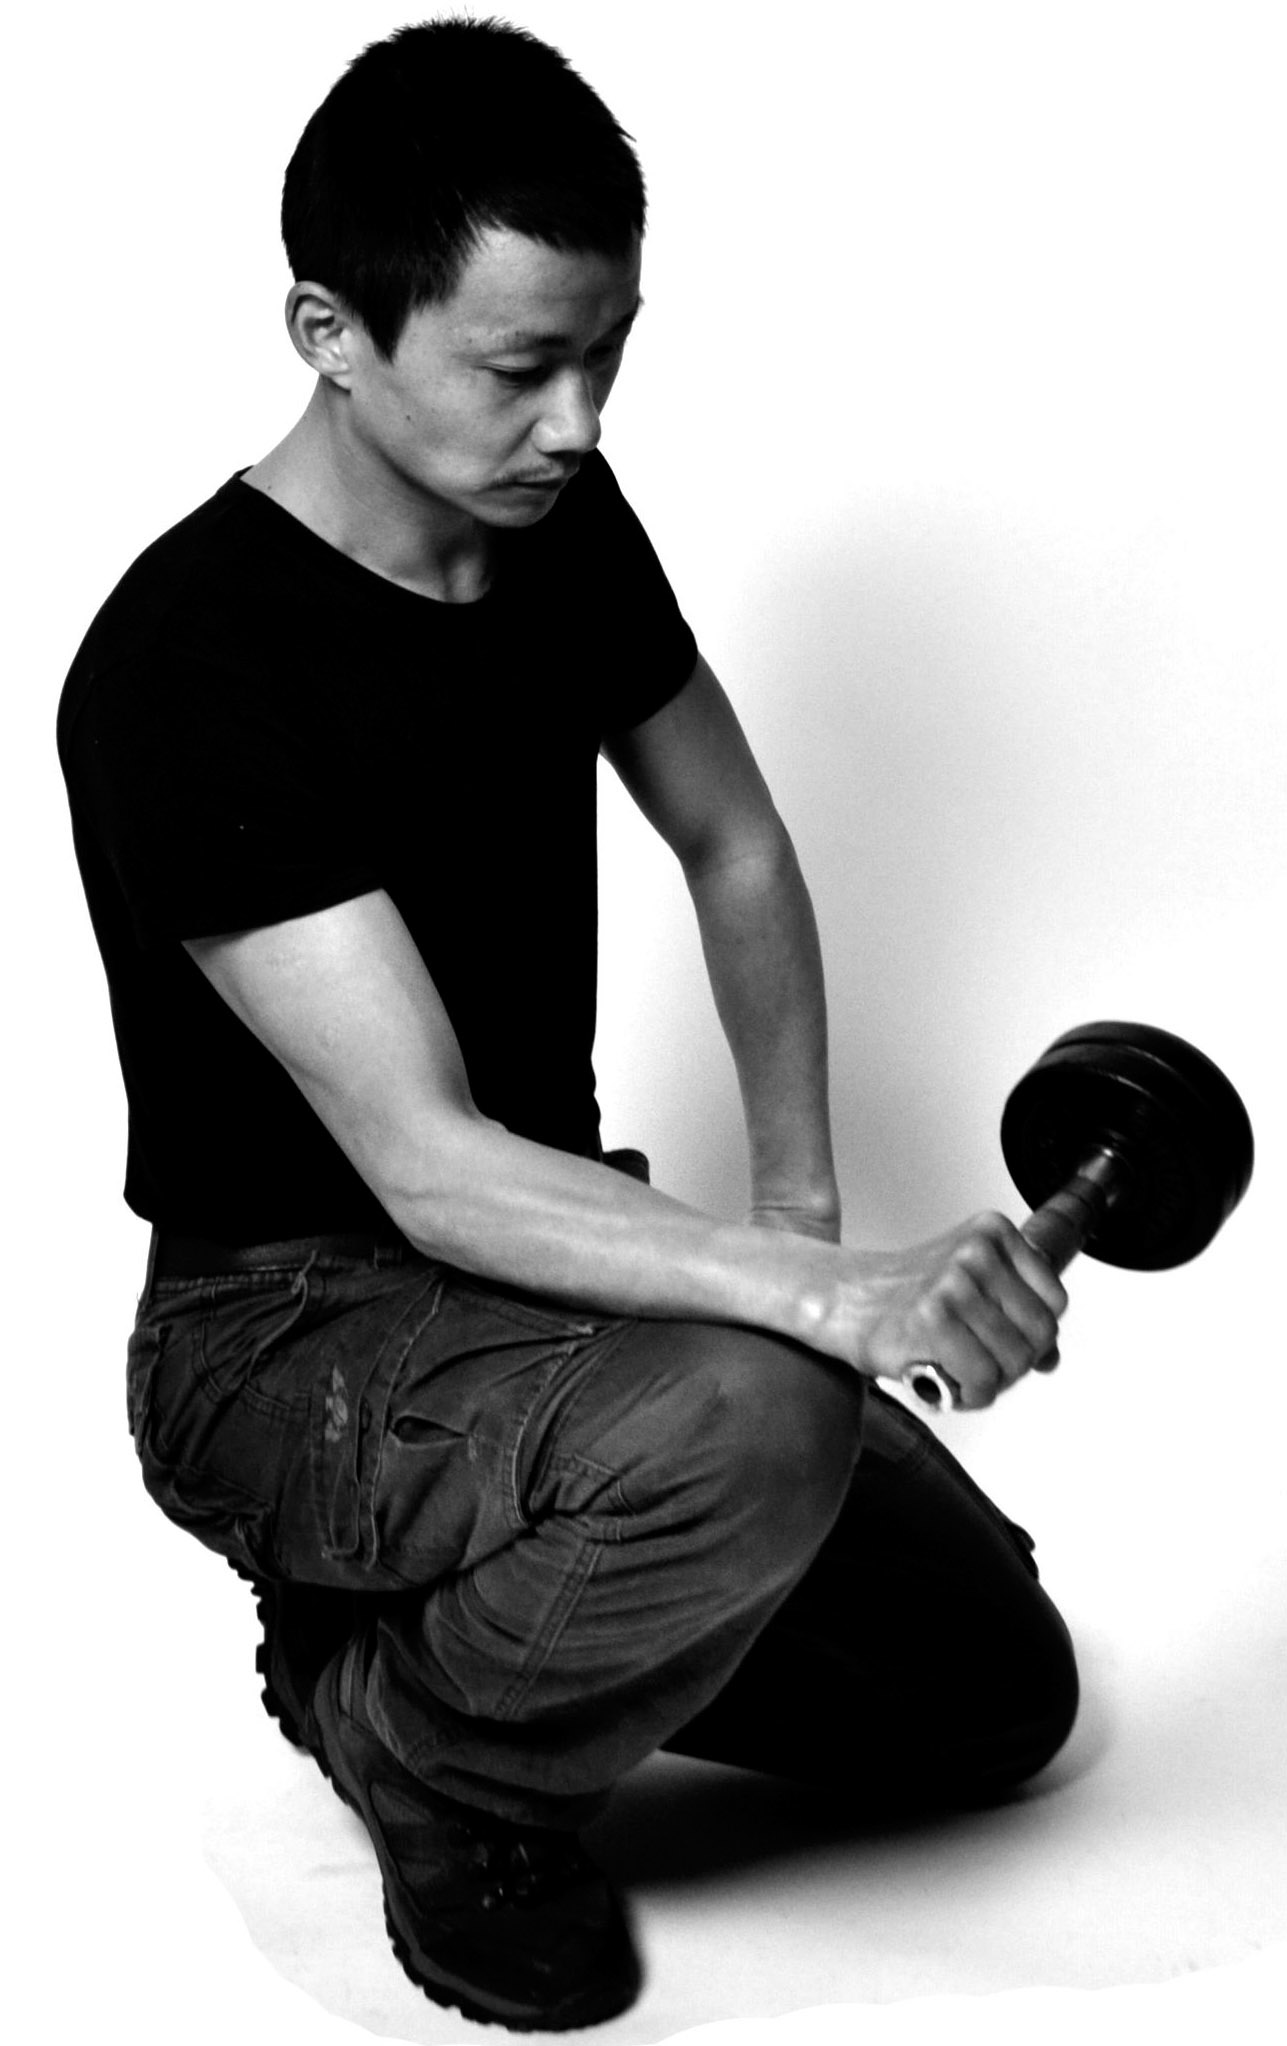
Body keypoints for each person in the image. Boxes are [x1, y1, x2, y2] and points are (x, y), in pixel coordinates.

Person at [58, 16, 1078, 2033]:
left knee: (993, 1692)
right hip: (284, 1325)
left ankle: (487, 1590)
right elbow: (426, 1167)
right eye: (521, 365)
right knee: (766, 1420)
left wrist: (796, 1230)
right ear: (330, 331)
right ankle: (414, 1732)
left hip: (536, 1260)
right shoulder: (187, 670)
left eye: (608, 354)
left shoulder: (556, 523)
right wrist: (821, 1315)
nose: (577, 420)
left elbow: (734, 845)